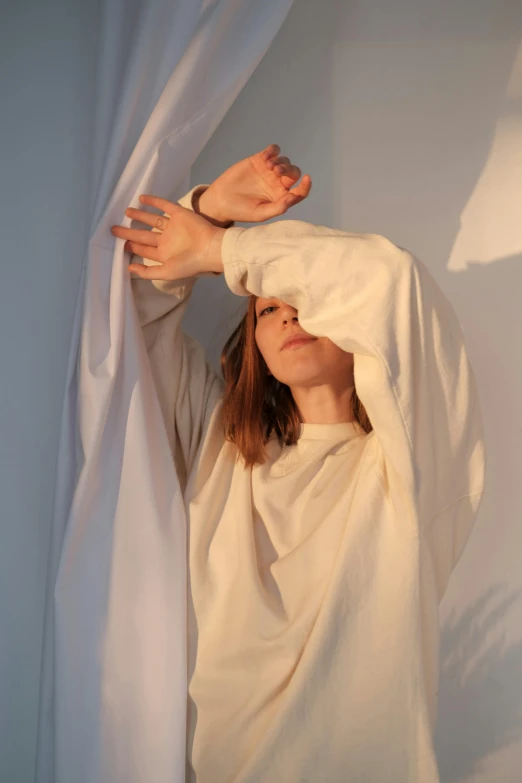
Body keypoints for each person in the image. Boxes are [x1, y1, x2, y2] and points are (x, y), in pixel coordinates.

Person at [111, 144, 486, 783]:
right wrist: (210, 212)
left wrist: (222, 254)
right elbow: (129, 332)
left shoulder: (407, 469)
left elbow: (387, 280)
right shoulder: (220, 446)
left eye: (302, 300)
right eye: (267, 309)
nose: (287, 315)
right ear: (253, 340)